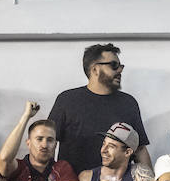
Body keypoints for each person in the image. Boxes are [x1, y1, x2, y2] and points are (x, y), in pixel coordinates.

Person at [48, 42, 151, 174]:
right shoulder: (67, 100)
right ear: (95, 69)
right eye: (114, 65)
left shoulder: (128, 103)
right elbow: (49, 143)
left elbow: (140, 149)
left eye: (120, 66)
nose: (119, 70)